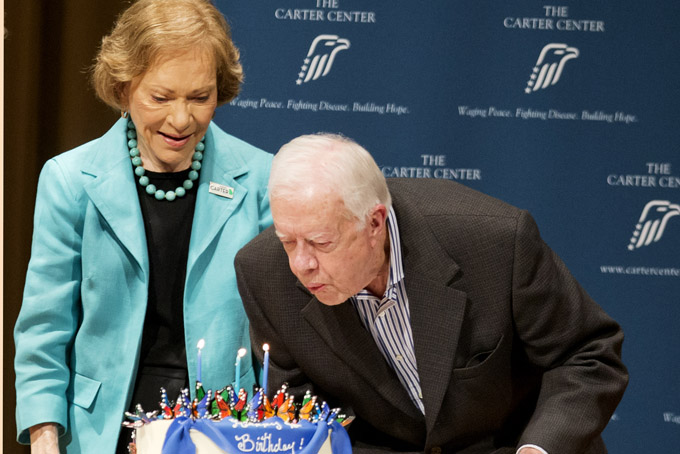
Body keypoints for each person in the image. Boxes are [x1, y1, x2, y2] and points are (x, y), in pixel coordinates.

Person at [235, 133, 628, 454]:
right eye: (287, 240)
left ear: (374, 223)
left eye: (321, 242)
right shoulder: (263, 274)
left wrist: (539, 450)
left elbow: (588, 355)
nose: (300, 265)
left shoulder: (496, 242)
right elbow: (303, 413)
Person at [13, 1, 272, 453]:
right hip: (100, 429)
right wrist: (44, 436)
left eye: (200, 97)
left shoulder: (262, 179)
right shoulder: (70, 180)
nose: (181, 120)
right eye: (161, 97)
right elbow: (44, 330)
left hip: (224, 430)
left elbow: (284, 335)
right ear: (123, 86)